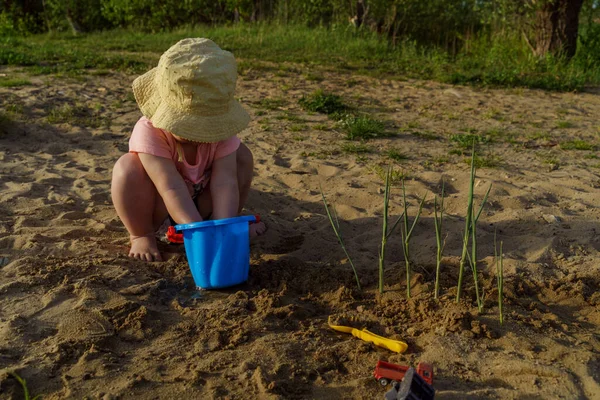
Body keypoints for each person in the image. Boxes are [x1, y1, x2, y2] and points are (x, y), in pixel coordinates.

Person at [111, 38, 266, 262]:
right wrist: (199, 233)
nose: (197, 135)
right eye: (188, 126)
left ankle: (228, 226)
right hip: (158, 209)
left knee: (242, 156)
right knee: (127, 168)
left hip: (204, 203)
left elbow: (225, 182)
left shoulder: (220, 130)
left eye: (202, 127)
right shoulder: (150, 131)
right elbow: (170, 187)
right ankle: (141, 235)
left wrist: (219, 232)